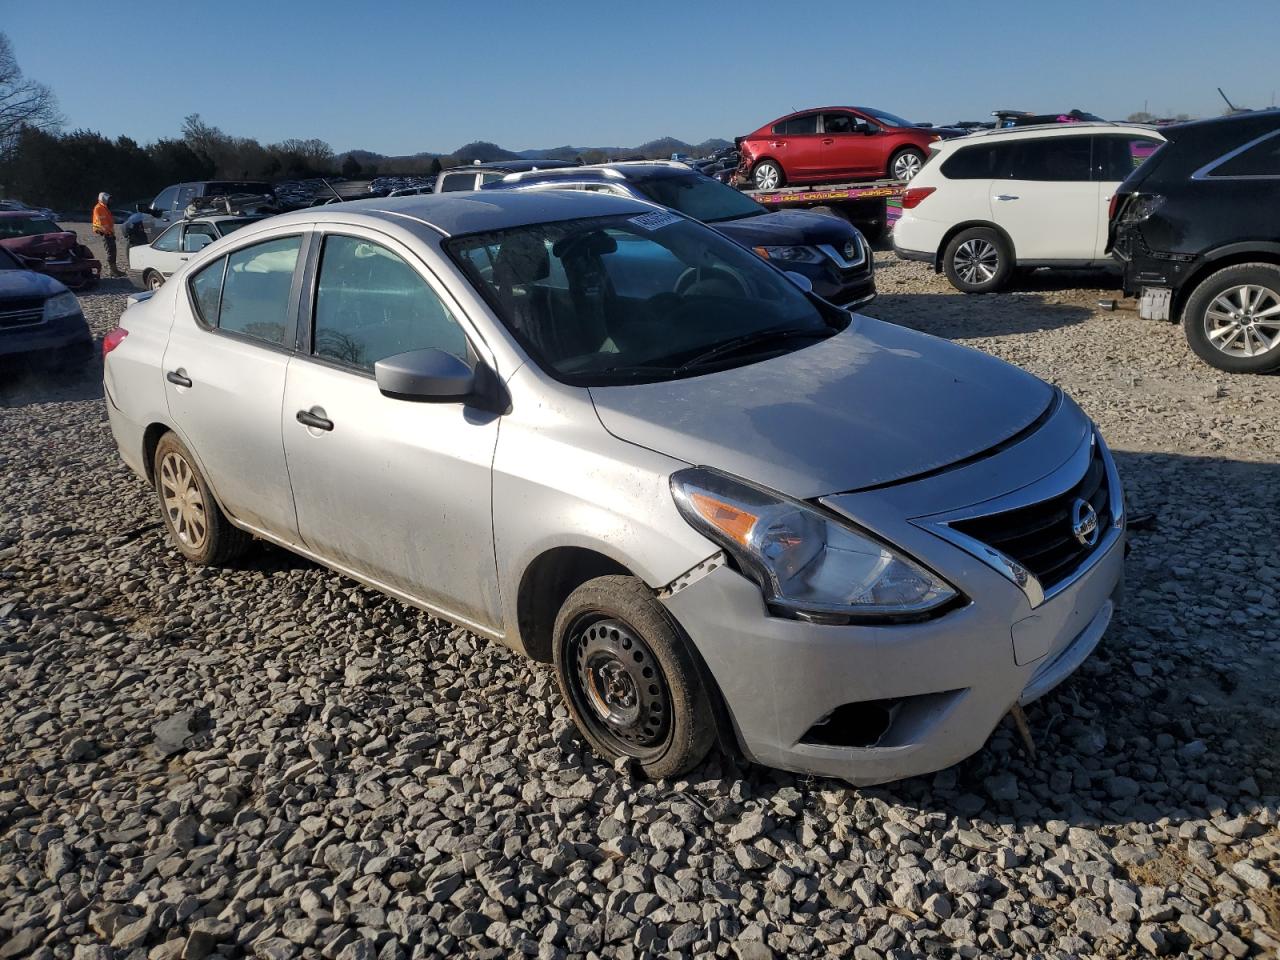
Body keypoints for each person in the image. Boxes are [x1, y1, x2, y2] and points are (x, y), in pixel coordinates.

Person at [92, 192, 125, 278]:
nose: (110, 201)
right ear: (104, 199)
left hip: (108, 233)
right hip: (105, 234)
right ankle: (112, 271)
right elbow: (101, 223)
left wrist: (111, 233)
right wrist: (108, 233)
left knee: (113, 251)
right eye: (109, 199)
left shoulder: (104, 208)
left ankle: (114, 270)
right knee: (110, 252)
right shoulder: (99, 208)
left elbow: (107, 222)